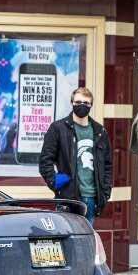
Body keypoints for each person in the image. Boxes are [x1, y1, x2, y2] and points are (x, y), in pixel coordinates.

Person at [39, 87, 113, 224]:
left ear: (91, 105)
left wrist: (105, 190)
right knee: (68, 241)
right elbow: (45, 161)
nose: (82, 106)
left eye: (86, 102)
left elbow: (107, 164)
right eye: (78, 102)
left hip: (92, 199)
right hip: (68, 199)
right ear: (71, 103)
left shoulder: (99, 131)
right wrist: (56, 183)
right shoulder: (58, 128)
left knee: (85, 242)